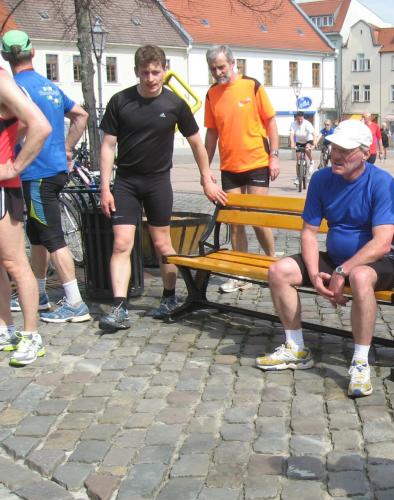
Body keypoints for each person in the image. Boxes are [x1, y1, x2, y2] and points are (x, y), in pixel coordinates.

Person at [257, 119, 394, 398]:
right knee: (279, 271)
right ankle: (296, 347)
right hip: (336, 260)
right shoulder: (321, 179)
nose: (336, 155)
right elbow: (309, 233)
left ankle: (360, 362)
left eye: (345, 150)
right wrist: (314, 275)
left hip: (381, 262)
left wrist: (342, 270)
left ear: (365, 153)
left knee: (360, 276)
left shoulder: (382, 182)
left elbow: (382, 243)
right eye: (334, 147)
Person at [98, 45, 226, 332]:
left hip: (157, 182)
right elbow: (107, 146)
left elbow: (197, 143)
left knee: (162, 244)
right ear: (136, 72)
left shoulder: (174, 104)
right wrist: (105, 188)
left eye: (156, 72)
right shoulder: (120, 101)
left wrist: (206, 178)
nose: (150, 78)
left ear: (164, 70)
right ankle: (119, 308)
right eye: (145, 73)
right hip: (127, 182)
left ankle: (169, 297)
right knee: (121, 243)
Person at [2, 30, 90, 324]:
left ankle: (75, 303)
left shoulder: (14, 88)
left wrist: (14, 159)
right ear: (34, 53)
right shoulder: (48, 85)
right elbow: (81, 116)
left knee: (52, 237)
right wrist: (67, 149)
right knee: (37, 235)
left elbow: (26, 126)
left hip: (36, 173)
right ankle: (38, 294)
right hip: (54, 169)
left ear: (5, 56)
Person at [205, 44, 279, 293]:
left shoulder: (252, 86)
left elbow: (271, 122)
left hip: (257, 161)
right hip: (229, 165)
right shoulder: (212, 94)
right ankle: (240, 273)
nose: (218, 72)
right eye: (213, 69)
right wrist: (205, 167)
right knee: (235, 221)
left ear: (232, 63)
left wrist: (274, 157)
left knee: (257, 217)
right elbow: (211, 133)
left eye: (221, 67)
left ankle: (272, 263)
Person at [0, 37, 52, 365]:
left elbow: (40, 126)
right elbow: (16, 127)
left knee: (14, 262)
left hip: (4, 190)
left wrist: (13, 166)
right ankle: (5, 328)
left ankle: (32, 335)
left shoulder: (2, 81)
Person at [289, 111, 317, 185]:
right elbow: (291, 135)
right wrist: (292, 143)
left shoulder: (307, 123)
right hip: (299, 142)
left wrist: (314, 143)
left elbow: (314, 134)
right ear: (296, 118)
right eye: (298, 119)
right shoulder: (293, 124)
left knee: (307, 149)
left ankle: (311, 161)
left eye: (301, 119)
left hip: (308, 140)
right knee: (298, 159)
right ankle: (298, 177)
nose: (300, 121)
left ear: (303, 118)